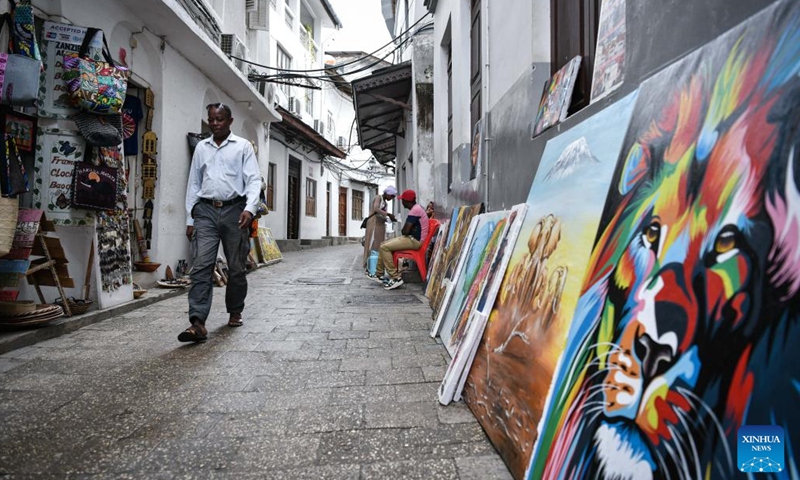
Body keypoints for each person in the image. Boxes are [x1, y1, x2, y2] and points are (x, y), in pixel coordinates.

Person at [179, 103, 261, 343]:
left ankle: (235, 310)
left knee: (236, 267)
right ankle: (197, 322)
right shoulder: (201, 148)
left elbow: (254, 180)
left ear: (230, 121)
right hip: (204, 211)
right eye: (211, 119)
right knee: (202, 265)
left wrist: (249, 208)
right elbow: (194, 183)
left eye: (220, 119)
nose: (215, 123)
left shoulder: (243, 147)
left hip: (235, 210)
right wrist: (190, 217)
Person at [372, 189, 429, 290]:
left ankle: (395, 278)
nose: (401, 202)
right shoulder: (416, 208)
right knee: (383, 244)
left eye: (402, 200)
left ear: (407, 201)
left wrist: (407, 229)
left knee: (385, 247)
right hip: (412, 238)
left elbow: (405, 231)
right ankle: (379, 274)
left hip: (415, 241)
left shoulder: (415, 210)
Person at [363, 186, 397, 274]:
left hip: (380, 224)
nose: (392, 198)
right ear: (387, 194)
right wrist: (388, 214)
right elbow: (376, 209)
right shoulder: (379, 197)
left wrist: (389, 218)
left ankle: (376, 265)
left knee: (379, 244)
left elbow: (381, 214)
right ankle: (369, 264)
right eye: (392, 196)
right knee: (372, 243)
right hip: (374, 223)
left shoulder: (385, 202)